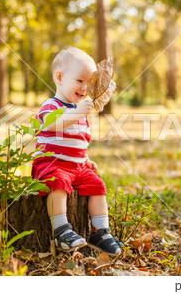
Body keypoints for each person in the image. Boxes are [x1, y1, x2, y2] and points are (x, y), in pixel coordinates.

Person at [31, 47, 122, 255]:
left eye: (88, 83)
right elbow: (53, 125)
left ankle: (101, 232)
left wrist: (86, 158)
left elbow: (78, 140)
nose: (84, 88)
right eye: (80, 81)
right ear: (60, 77)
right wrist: (78, 112)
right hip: (51, 164)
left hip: (77, 165)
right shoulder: (51, 105)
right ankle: (61, 230)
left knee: (97, 184)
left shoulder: (79, 111)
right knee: (59, 182)